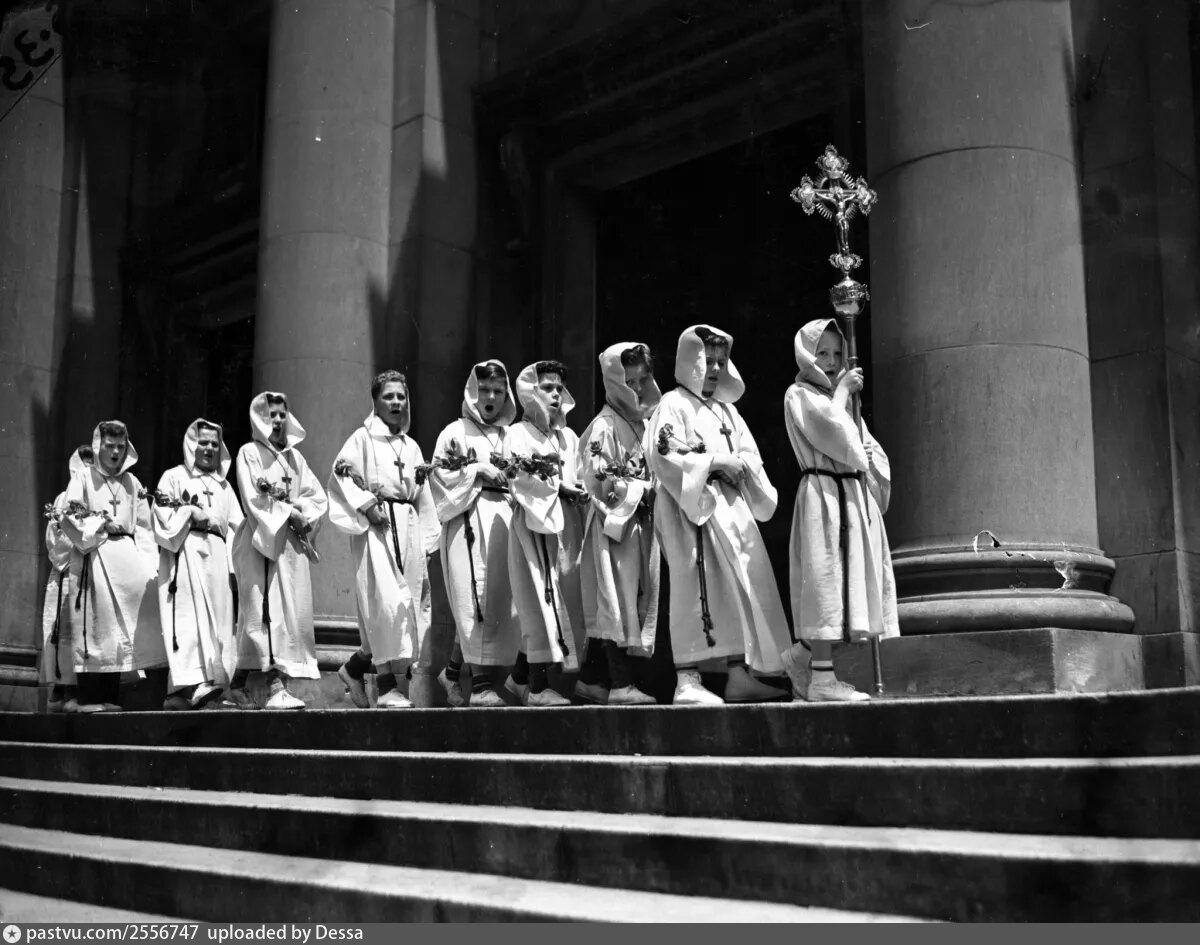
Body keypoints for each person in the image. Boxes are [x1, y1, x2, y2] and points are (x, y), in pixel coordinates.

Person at [645, 325, 792, 706]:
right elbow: (662, 453)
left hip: (730, 507)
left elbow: (750, 455)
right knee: (694, 586)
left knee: (735, 587)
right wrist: (714, 462)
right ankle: (686, 678)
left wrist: (739, 466)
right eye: (707, 360)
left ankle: (738, 673)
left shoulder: (728, 410)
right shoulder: (674, 403)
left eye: (720, 362)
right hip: (689, 508)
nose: (714, 369)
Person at [781, 319, 899, 701]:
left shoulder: (842, 402)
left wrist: (868, 459)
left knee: (844, 587)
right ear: (806, 355)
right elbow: (828, 431)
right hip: (823, 496)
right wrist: (845, 391)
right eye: (822, 353)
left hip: (848, 494)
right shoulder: (799, 395)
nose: (831, 362)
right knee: (825, 583)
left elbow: (862, 445)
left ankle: (800, 658)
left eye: (836, 354)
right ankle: (822, 679)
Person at [328, 370, 438, 709]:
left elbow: (423, 495)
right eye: (388, 396)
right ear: (375, 401)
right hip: (376, 528)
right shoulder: (362, 438)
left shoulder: (411, 446)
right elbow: (341, 474)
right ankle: (388, 687)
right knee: (385, 605)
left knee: (406, 608)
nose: (396, 402)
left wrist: (427, 540)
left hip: (407, 527)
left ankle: (354, 669)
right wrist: (367, 505)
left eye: (401, 396)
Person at [427, 360, 522, 708]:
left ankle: (452, 672)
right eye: (485, 390)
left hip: (503, 521)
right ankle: (480, 685)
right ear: (472, 392)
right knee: (473, 598)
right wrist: (476, 470)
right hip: (467, 519)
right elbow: (439, 477)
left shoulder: (510, 436)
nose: (491, 398)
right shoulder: (455, 432)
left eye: (498, 391)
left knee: (495, 600)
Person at [59, 421, 168, 711]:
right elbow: (70, 513)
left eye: (121, 446)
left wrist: (150, 566)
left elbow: (144, 527)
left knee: (126, 633)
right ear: (99, 446)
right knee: (98, 631)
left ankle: (113, 697)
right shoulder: (84, 477)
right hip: (96, 556)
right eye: (110, 446)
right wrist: (101, 523)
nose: (116, 452)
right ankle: (91, 699)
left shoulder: (133, 483)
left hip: (128, 559)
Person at [575, 342, 662, 706]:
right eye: (630, 382)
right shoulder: (604, 426)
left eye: (643, 380)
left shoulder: (644, 424)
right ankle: (620, 682)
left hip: (638, 525)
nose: (638, 389)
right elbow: (597, 483)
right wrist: (642, 490)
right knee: (614, 598)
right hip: (613, 527)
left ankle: (591, 679)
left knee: (629, 597)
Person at [229, 392, 327, 710]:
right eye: (272, 414)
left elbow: (316, 497)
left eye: (283, 414)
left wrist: (300, 512)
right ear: (259, 417)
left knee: (289, 613)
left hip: (290, 546)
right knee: (265, 613)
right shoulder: (249, 453)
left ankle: (238, 685)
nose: (278, 420)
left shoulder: (296, 459)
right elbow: (253, 498)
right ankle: (274, 687)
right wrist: (289, 513)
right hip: (261, 540)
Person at [504, 360, 588, 707]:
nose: (555, 395)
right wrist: (559, 489)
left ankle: (518, 677)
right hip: (533, 526)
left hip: (566, 527)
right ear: (530, 391)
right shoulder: (517, 434)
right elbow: (518, 478)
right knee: (539, 598)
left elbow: (580, 472)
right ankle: (538, 686)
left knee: (563, 598)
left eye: (559, 388)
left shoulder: (568, 437)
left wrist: (581, 488)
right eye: (548, 388)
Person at [152, 419, 244, 711]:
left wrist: (234, 567)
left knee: (219, 623)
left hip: (217, 557)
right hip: (187, 551)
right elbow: (161, 516)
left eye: (215, 444)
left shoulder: (225, 486)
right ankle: (189, 686)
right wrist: (190, 512)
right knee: (189, 620)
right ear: (192, 444)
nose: (209, 448)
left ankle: (209, 688)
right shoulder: (173, 476)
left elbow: (237, 528)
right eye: (203, 442)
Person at [40, 445, 93, 713]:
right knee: (60, 630)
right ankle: (60, 688)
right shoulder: (64, 498)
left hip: (89, 571)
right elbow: (54, 537)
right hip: (67, 569)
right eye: (84, 463)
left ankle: (77, 689)